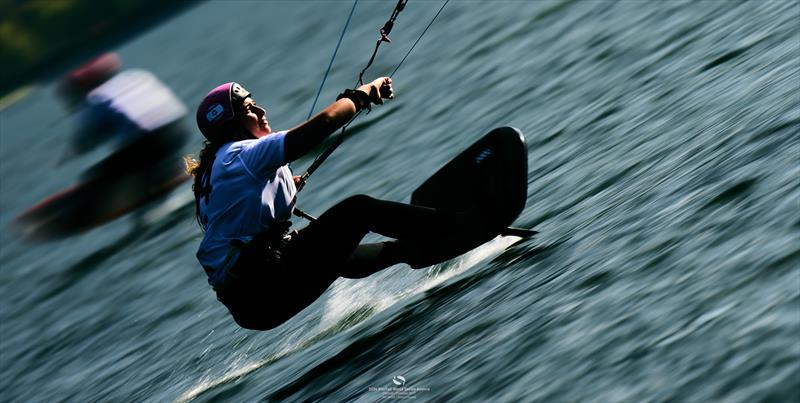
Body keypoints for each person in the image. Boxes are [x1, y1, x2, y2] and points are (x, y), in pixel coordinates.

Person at [187, 78, 475, 330]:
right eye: (250, 109)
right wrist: (362, 95)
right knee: (359, 210)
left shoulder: (217, 168)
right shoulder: (238, 154)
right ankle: (464, 225)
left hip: (253, 301)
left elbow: (240, 211)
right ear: (230, 127)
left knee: (340, 252)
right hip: (265, 286)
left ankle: (416, 250)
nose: (262, 112)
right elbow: (320, 127)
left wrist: (284, 187)